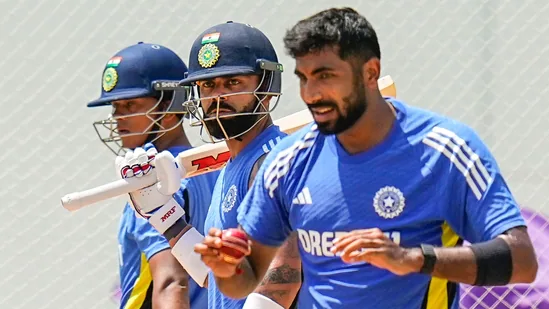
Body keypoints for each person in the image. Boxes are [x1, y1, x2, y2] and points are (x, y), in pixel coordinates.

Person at [193, 7, 539, 309]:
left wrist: (413, 258)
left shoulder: (444, 150)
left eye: (326, 76)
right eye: (305, 78)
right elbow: (248, 281)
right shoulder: (288, 162)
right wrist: (227, 268)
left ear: (370, 73)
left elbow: (522, 260)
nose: (312, 94)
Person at [113, 22, 302, 309]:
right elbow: (213, 278)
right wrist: (165, 217)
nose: (217, 97)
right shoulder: (230, 167)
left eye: (233, 83)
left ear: (266, 86)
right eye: (207, 85)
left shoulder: (273, 161)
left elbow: (281, 278)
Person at [86, 42, 218, 309]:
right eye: (115, 107)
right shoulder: (212, 168)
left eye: (130, 105)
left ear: (170, 107)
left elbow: (171, 282)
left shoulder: (150, 180)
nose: (117, 118)